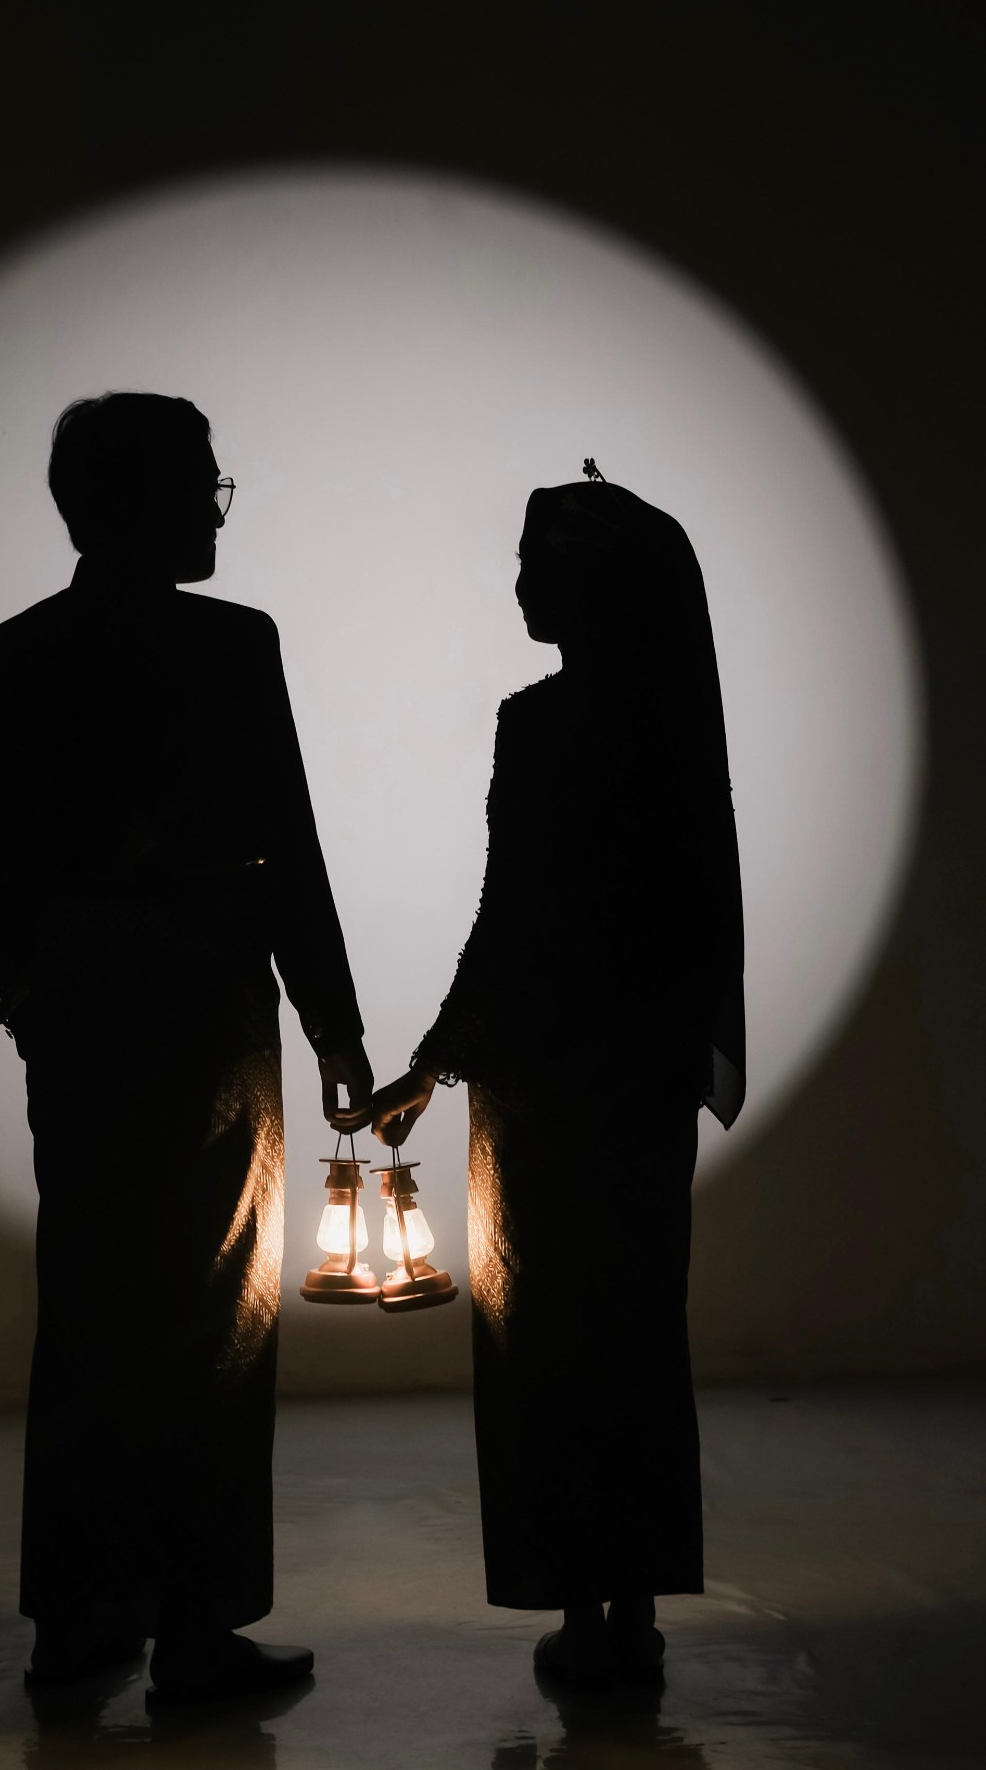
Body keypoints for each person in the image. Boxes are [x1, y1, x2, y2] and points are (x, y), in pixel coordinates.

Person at [0, 392, 372, 1698]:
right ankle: (197, 1626)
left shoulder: (9, 658)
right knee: (215, 1319)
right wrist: (333, 1024)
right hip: (207, 1026)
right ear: (144, 499)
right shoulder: (231, 646)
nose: (214, 510)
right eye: (201, 486)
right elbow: (286, 846)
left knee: (90, 1312)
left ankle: (78, 1623)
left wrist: (39, 991)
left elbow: (0, 877)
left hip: (85, 1032)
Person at [372, 467, 744, 1687]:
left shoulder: (540, 724)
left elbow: (511, 917)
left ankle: (578, 1602)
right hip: (637, 1083)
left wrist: (433, 1060)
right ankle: (629, 1609)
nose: (520, 586)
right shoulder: (673, 724)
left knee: (542, 1340)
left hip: (537, 1088)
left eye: (536, 565)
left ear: (588, 585)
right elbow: (689, 919)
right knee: (633, 1334)